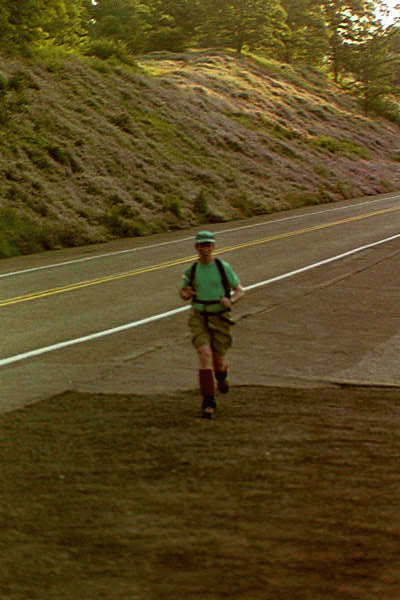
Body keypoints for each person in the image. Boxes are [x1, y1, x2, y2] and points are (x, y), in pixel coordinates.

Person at [179, 230, 245, 418]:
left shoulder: (223, 268)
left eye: (208, 245)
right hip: (199, 315)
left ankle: (222, 376)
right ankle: (208, 401)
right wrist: (186, 294)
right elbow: (183, 292)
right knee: (204, 354)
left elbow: (240, 291)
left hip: (220, 316)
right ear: (196, 248)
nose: (205, 249)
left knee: (218, 359)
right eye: (202, 246)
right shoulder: (191, 270)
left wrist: (231, 301)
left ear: (213, 247)